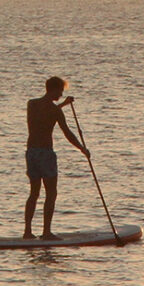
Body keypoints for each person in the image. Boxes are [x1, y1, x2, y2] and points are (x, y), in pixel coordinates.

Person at [24, 76, 90, 240]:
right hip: (46, 154)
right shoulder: (55, 111)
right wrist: (82, 149)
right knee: (51, 193)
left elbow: (45, 113)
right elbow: (67, 133)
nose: (61, 94)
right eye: (60, 91)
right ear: (53, 89)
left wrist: (62, 106)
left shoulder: (32, 104)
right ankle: (46, 232)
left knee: (34, 193)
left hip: (31, 153)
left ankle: (27, 231)